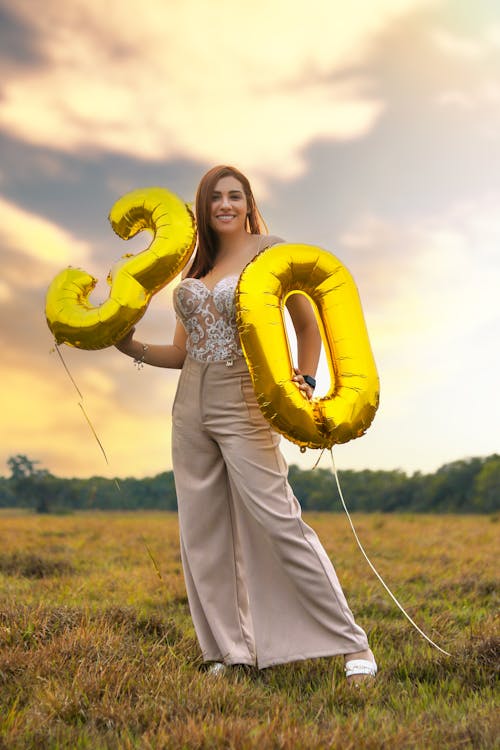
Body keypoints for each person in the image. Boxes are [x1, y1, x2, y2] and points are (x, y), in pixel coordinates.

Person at [115, 165, 377, 685]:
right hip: (190, 404)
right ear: (203, 207)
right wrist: (128, 345)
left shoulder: (271, 250)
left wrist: (304, 377)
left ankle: (352, 644)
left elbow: (306, 323)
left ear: (248, 201)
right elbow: (180, 351)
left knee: (279, 519)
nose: (226, 205)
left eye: (235, 196)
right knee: (202, 530)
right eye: (216, 198)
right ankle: (227, 652)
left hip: (245, 398)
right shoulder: (194, 270)